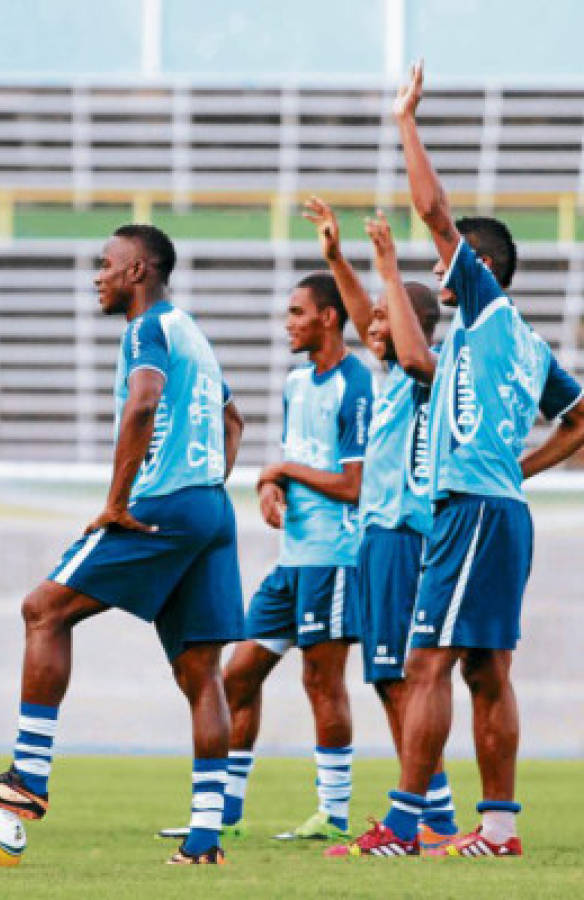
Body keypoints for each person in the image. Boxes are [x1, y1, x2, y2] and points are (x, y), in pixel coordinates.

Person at [339, 62, 584, 859]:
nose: (438, 267)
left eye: (448, 261)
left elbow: (434, 209)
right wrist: (524, 471)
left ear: (469, 268)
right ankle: (499, 832)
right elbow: (579, 419)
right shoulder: (524, 343)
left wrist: (404, 121)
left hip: (471, 510)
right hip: (500, 509)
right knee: (485, 670)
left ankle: (403, 827)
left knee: (426, 661)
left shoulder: (482, 304)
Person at [0, 224, 245, 865]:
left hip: (163, 505)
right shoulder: (193, 332)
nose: (97, 276)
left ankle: (28, 776)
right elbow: (233, 419)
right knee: (202, 673)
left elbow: (142, 405)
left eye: (106, 265)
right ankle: (205, 838)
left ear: (137, 270)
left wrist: (117, 502)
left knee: (43, 609)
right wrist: (202, 492)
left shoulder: (147, 329)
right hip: (211, 509)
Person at [303, 196, 458, 851]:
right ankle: (431, 813)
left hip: (401, 536)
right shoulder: (396, 372)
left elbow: (385, 316)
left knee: (400, 681)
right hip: (377, 540)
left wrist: (383, 273)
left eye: (383, 323)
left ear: (413, 326)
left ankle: (425, 817)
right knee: (390, 681)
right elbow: (369, 312)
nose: (370, 328)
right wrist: (337, 258)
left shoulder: (428, 373)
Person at [213, 272, 373, 842]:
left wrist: (284, 472)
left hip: (335, 558)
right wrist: (268, 485)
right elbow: (291, 456)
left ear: (328, 317)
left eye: (297, 312)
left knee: (321, 682)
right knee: (239, 674)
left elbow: (354, 484)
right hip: (292, 560)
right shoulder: (295, 383)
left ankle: (333, 814)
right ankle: (226, 811)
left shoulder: (357, 385)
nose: (289, 323)